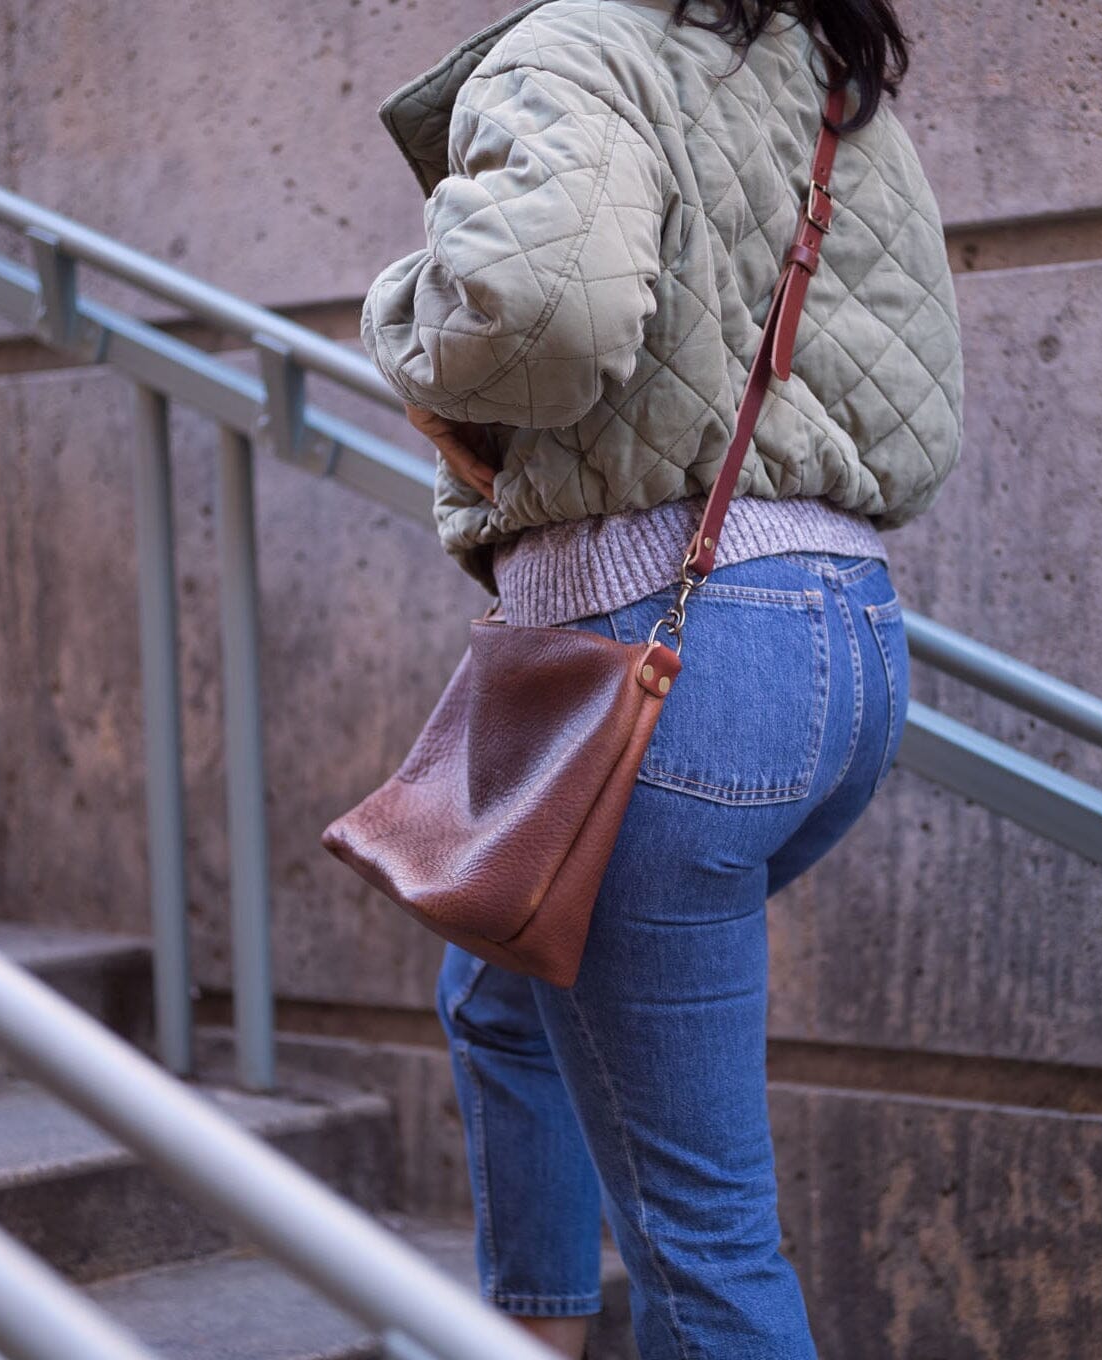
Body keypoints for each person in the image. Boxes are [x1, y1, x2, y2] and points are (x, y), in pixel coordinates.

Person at [360, 0, 963, 1354]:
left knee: (702, 1237)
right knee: (501, 995)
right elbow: (923, 397)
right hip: (845, 647)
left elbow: (543, 314)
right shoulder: (819, 73)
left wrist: (401, 314)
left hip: (668, 665)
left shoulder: (573, 47)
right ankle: (533, 1331)